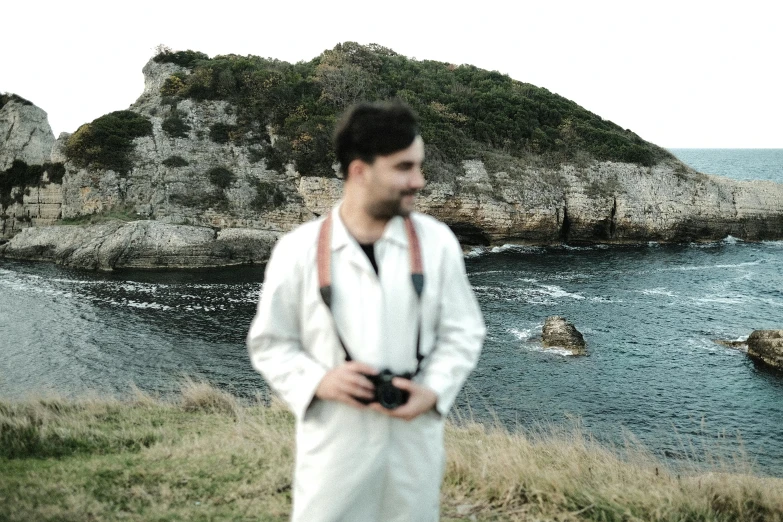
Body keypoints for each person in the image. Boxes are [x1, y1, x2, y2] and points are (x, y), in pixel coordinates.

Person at [246, 100, 485, 522]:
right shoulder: (297, 250)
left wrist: (433, 390)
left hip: (413, 446)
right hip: (335, 451)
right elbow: (269, 343)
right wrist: (320, 381)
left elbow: (463, 332)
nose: (419, 180)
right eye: (404, 167)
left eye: (419, 166)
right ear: (360, 170)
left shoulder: (438, 242)